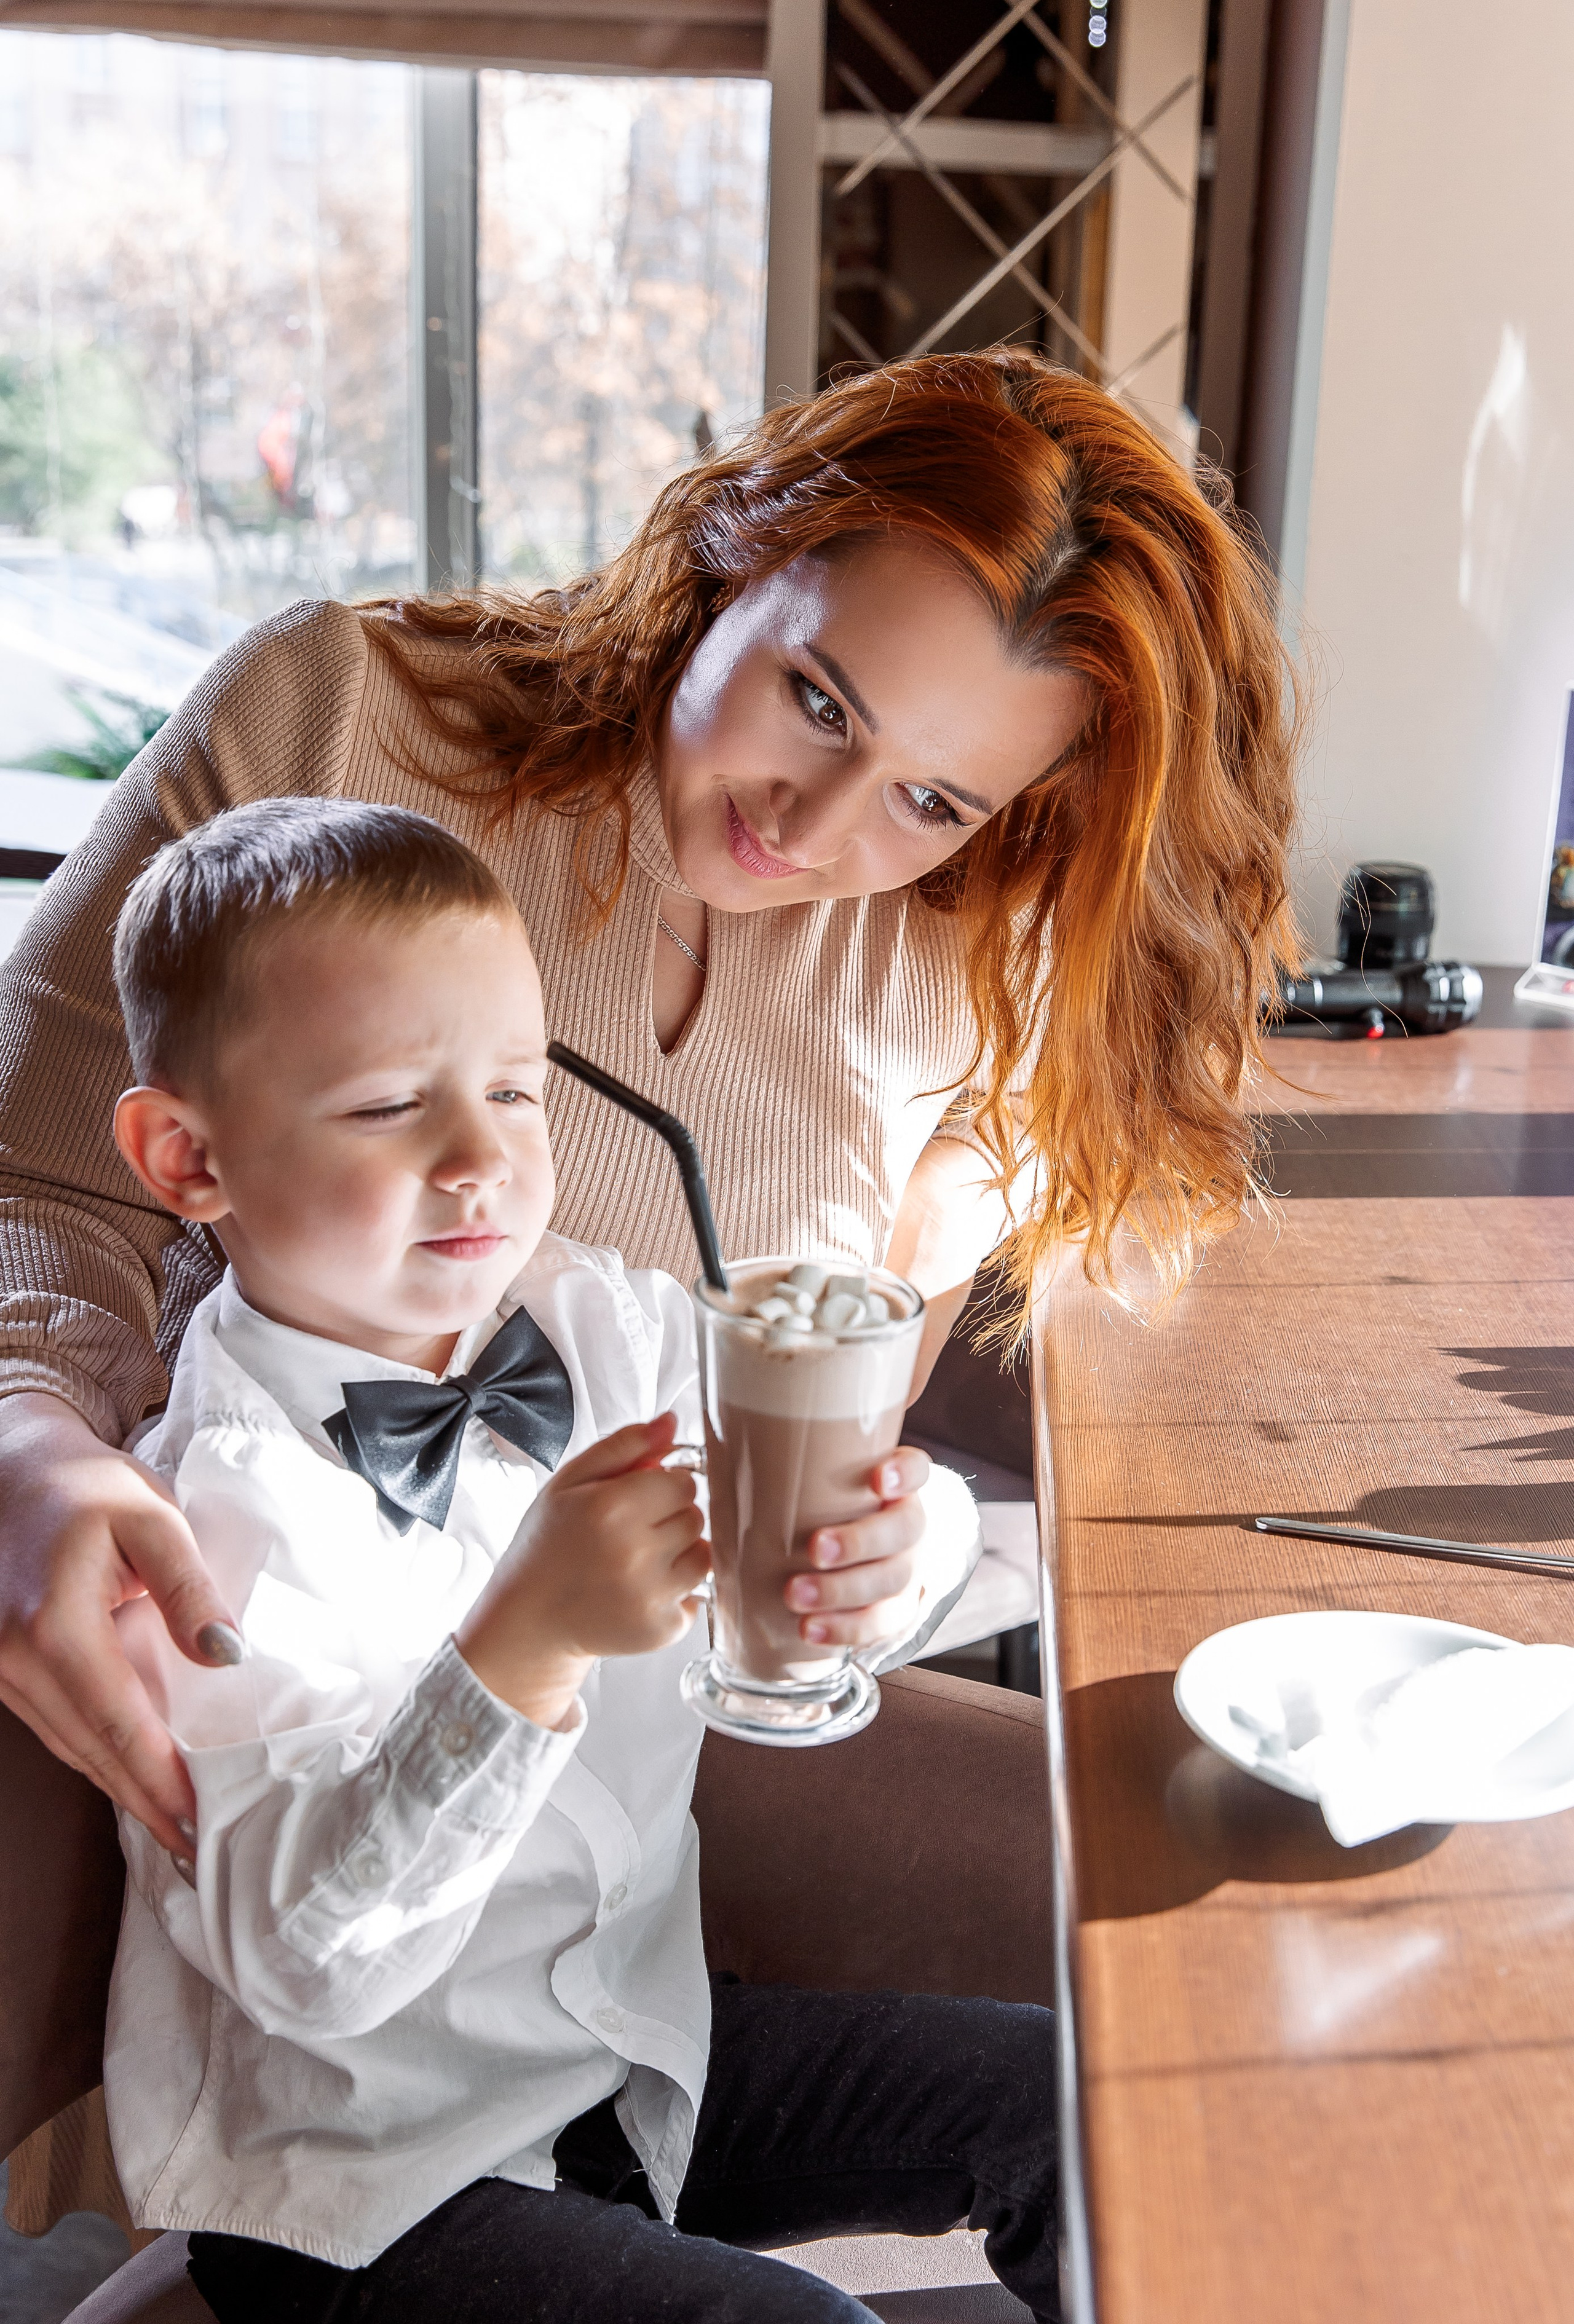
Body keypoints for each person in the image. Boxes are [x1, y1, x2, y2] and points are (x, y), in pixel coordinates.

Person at [0, 348, 1299, 1870]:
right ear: (731, 550)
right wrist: (28, 1437)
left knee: (1213, 1865)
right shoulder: (337, 715)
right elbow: (40, 1172)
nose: (810, 828)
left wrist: (873, 1539)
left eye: (930, 798)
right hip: (283, 1740)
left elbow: (828, 1457)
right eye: (815, 698)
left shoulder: (963, 952)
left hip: (654, 1773)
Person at [101, 797, 1054, 2323]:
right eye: (386, 1107)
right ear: (188, 1157)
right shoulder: (214, 1515)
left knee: (1059, 2103)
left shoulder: (601, 1321)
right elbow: (301, 1962)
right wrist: (518, 1651)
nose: (480, 1158)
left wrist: (902, 1540)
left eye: (512, 1088)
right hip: (366, 2192)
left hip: (628, 2056)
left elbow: (813, 1521)